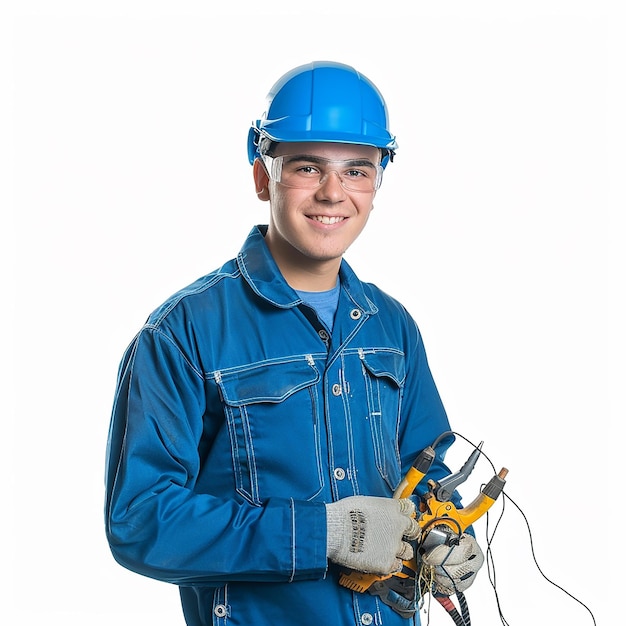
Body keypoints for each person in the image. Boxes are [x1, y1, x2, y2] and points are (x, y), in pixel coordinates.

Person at [104, 60, 484, 626]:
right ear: (263, 174)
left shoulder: (392, 326)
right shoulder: (184, 333)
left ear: (379, 181)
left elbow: (424, 473)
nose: (334, 193)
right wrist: (321, 534)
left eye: (357, 170)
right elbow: (141, 521)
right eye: (308, 167)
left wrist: (448, 532)